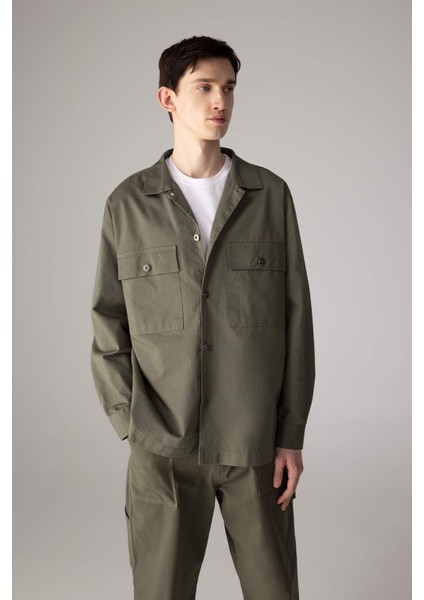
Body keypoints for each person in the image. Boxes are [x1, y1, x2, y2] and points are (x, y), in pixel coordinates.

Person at [90, 34, 316, 600]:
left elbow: (297, 321)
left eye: (229, 88)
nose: (221, 101)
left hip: (254, 444)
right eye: (205, 87)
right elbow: (108, 322)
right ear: (167, 98)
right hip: (163, 448)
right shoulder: (127, 204)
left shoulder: (270, 196)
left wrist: (290, 435)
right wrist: (131, 423)